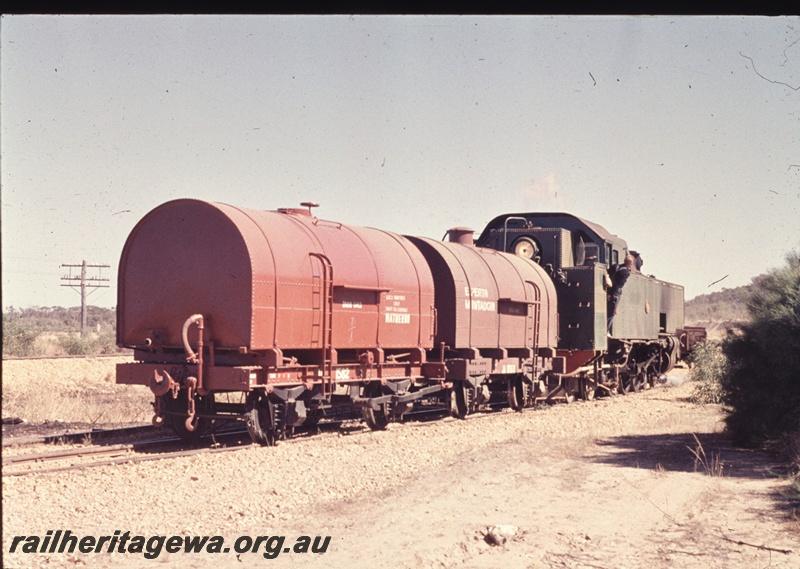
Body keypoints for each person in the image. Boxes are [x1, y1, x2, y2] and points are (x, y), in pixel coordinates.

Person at [607, 254, 635, 335]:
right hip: (615, 292)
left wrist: (608, 292)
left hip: (608, 289)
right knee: (612, 312)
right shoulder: (626, 272)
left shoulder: (615, 266)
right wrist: (612, 294)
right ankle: (606, 330)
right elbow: (619, 285)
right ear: (630, 263)